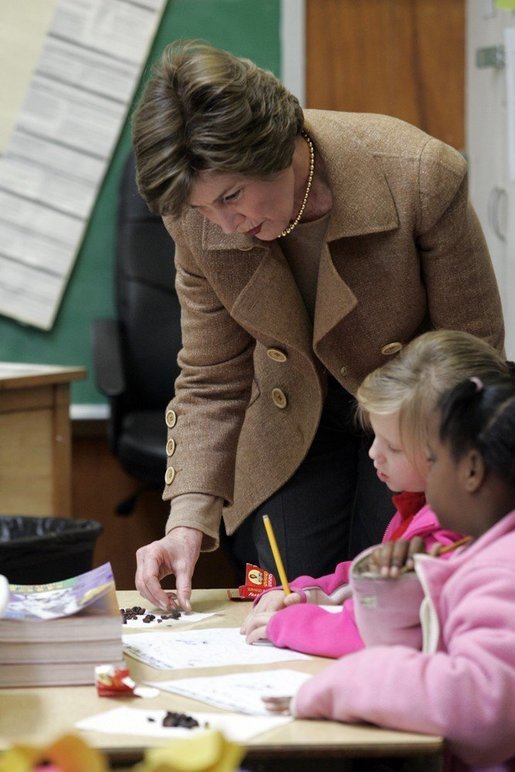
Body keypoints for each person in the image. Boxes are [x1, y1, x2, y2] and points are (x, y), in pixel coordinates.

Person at [131, 39, 504, 611]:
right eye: (207, 210)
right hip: (288, 419)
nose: (226, 226)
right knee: (288, 592)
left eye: (233, 196)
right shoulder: (196, 218)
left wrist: (449, 483)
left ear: (276, 147)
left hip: (413, 420)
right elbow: (211, 375)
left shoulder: (421, 176)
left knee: (395, 588)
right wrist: (185, 521)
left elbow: (471, 357)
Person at [263, 372, 515, 772]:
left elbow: (478, 706)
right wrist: (394, 594)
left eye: (433, 460)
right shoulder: (484, 556)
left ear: (470, 470)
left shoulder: (502, 570)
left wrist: (343, 683)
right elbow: (420, 648)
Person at [241, 329, 508, 655]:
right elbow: (368, 586)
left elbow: (372, 633)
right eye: (374, 437)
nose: (374, 454)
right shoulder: (421, 504)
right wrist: (312, 592)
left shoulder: (451, 536)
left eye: (393, 447)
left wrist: (287, 625)